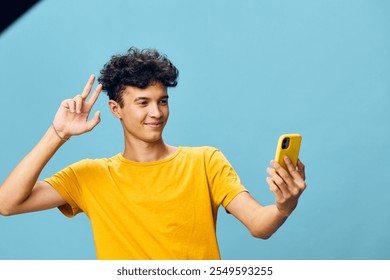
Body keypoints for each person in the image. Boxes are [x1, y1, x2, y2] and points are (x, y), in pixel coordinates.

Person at [0, 47, 306, 260]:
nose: (156, 113)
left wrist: (284, 206)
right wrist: (58, 134)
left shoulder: (205, 161)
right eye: (143, 102)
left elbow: (258, 225)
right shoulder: (89, 176)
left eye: (162, 101)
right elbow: (7, 203)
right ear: (115, 109)